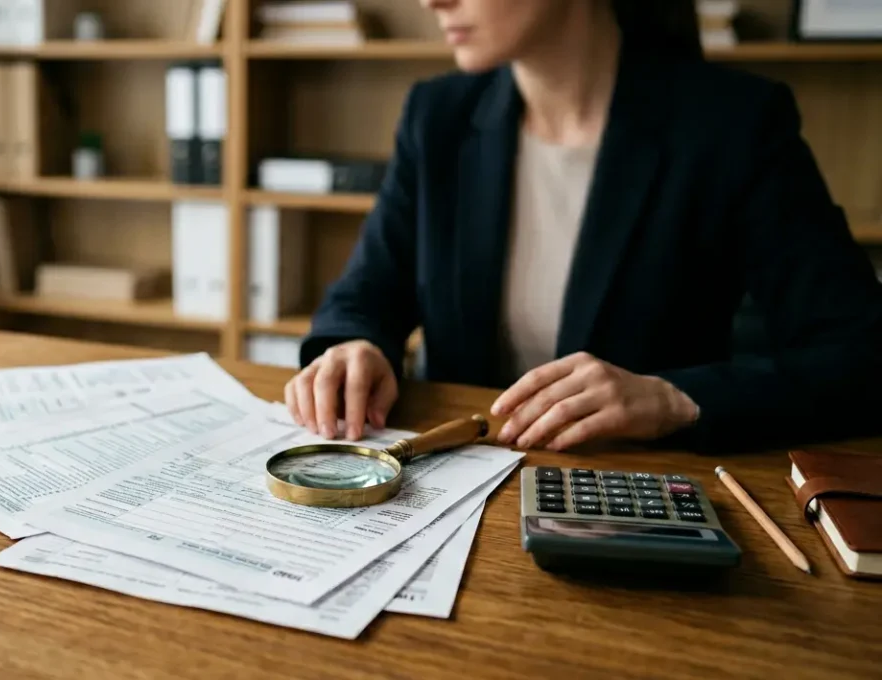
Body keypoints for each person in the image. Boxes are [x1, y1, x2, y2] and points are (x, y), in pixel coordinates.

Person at [285, 0, 882, 454]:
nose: (431, 0)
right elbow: (364, 296)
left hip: (630, 495)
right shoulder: (436, 116)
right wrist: (352, 345)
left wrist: (673, 399)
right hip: (450, 484)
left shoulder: (734, 125)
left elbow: (861, 355)